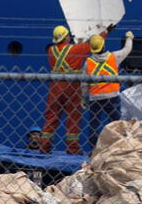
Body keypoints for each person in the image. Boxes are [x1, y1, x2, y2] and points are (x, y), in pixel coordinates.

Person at [40, 24, 112, 154]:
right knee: (73, 117)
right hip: (72, 86)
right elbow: (92, 44)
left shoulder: (51, 51)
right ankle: (72, 149)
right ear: (66, 38)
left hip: (55, 86)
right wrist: (105, 32)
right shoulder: (75, 49)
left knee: (51, 116)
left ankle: (44, 147)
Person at [84, 31, 134, 151]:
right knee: (115, 123)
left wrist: (84, 98)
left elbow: (84, 83)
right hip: (112, 96)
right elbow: (127, 49)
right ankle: (117, 148)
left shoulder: (88, 62)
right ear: (103, 45)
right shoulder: (113, 57)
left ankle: (93, 150)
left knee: (94, 124)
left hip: (95, 97)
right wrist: (129, 38)